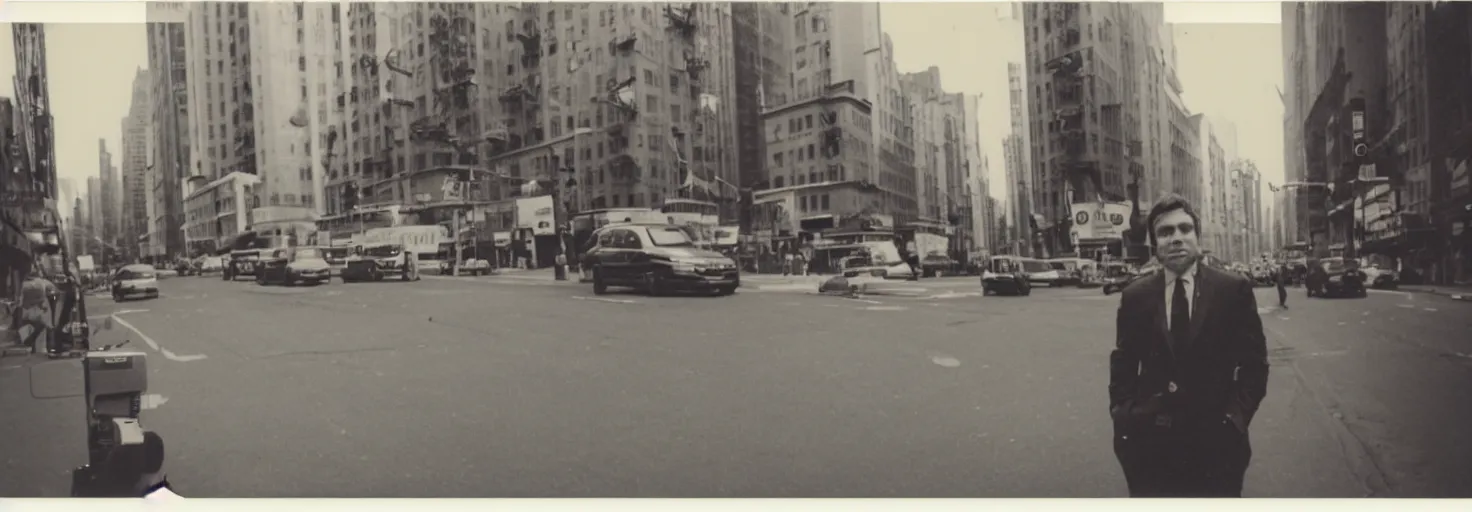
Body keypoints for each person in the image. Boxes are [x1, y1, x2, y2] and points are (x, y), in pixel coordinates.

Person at [1108, 194, 1269, 497]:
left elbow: (1255, 364)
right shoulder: (1135, 296)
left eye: (1185, 229)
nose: (1177, 238)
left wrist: (1236, 419)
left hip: (1217, 444)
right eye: (1166, 232)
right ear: (1155, 245)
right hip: (1151, 444)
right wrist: (1124, 415)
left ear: (1197, 237)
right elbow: (1123, 361)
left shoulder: (1232, 290)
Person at [18, 267, 59, 354]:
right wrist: (53, 299)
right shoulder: (43, 282)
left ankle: (32, 345)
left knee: (32, 328)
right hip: (41, 309)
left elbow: (20, 300)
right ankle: (51, 348)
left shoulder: (23, 284)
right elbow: (55, 292)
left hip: (27, 310)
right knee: (48, 328)